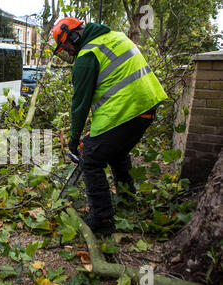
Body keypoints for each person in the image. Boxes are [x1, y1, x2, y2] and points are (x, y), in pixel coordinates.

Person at [52, 18, 167, 235]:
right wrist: (95, 132)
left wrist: (75, 138)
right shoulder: (116, 36)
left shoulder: (86, 57)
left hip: (125, 111)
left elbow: (80, 104)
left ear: (75, 36)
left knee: (91, 157)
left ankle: (102, 220)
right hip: (147, 107)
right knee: (116, 151)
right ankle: (127, 198)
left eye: (67, 46)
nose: (68, 51)